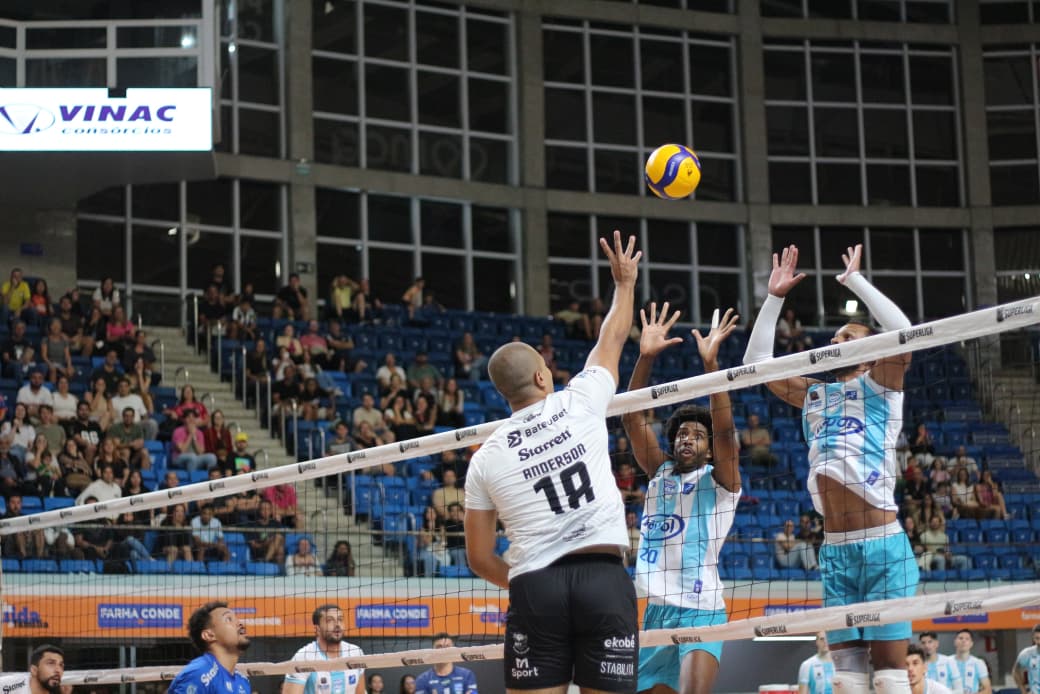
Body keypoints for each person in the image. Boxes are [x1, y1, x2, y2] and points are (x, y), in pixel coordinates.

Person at [463, 231, 639, 693]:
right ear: (543, 375)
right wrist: (624, 284)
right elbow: (613, 335)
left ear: (504, 394)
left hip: (534, 585)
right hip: (602, 576)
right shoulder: (580, 399)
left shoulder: (485, 457)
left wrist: (524, 581)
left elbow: (479, 557)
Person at [743, 244, 918, 694]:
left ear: (869, 352)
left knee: (890, 678)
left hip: (883, 546)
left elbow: (904, 333)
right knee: (848, 680)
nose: (836, 342)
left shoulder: (881, 385)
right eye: (834, 337)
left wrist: (855, 282)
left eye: (848, 337)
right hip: (836, 549)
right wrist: (775, 298)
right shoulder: (815, 395)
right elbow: (753, 366)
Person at [620, 302, 741, 694]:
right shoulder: (660, 473)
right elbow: (630, 416)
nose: (687, 437)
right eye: (681, 433)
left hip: (702, 606)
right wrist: (645, 356)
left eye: (697, 434)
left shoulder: (720, 480)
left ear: (708, 449)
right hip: (657, 608)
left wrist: (712, 367)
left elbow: (724, 430)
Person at [167, 601, 251, 694]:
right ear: (209, 635)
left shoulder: (242, 681)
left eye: (237, 619)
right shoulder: (199, 674)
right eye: (229, 619)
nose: (240, 623)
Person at [284, 603, 366, 694]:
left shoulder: (356, 652)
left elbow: (360, 692)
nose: (337, 624)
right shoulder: (303, 657)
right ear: (317, 629)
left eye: (340, 619)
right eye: (329, 621)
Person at [413, 633, 478, 694]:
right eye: (439, 647)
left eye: (447, 646)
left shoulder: (467, 675)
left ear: (453, 650)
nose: (444, 651)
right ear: (432, 651)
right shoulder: (422, 679)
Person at [0, 643, 65, 694]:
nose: (58, 670)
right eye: (51, 663)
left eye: (61, 665)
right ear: (34, 670)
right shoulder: (8, 685)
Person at [952, 630, 991, 694]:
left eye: (967, 639)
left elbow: (988, 690)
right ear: (955, 642)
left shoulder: (979, 663)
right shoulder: (946, 662)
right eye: (960, 638)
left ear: (971, 644)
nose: (963, 641)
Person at [1013, 624, 1040, 694]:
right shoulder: (1027, 653)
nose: (1039, 642)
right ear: (1033, 638)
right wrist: (1024, 691)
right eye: (1037, 638)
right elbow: (1016, 671)